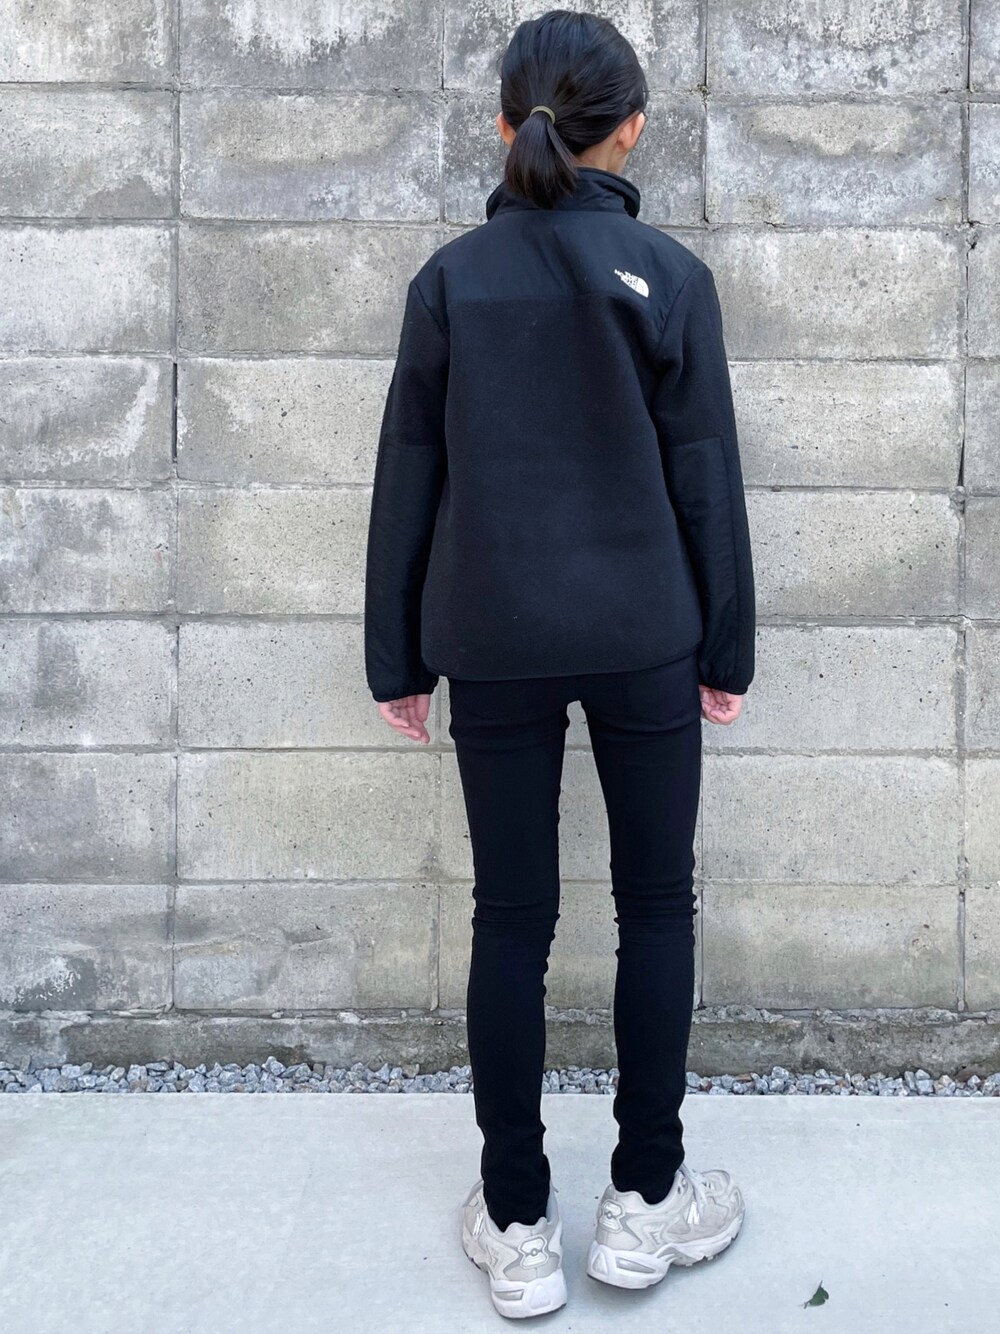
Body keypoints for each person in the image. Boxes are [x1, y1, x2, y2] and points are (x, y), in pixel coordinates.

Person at [364, 8, 755, 1320]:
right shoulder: (668, 275)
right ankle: (645, 1203)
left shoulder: (451, 282)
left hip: (494, 640)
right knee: (657, 907)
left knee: (510, 918)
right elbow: (709, 482)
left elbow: (408, 480)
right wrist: (727, 647)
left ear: (504, 125)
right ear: (632, 127)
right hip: (646, 636)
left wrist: (397, 658)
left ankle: (519, 1222)